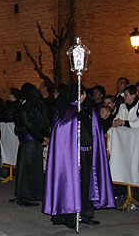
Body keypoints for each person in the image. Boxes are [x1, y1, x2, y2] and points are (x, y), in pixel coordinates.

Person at [43, 84, 115, 228]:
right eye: (81, 94)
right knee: (74, 185)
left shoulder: (88, 110)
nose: (84, 97)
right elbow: (62, 132)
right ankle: (70, 215)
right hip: (73, 156)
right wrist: (75, 119)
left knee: (88, 184)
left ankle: (86, 213)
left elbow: (98, 129)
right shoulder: (66, 112)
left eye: (84, 94)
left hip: (88, 153)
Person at [12, 83, 50, 206]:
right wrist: (41, 137)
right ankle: (26, 195)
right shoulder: (35, 106)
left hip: (30, 140)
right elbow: (37, 123)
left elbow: (30, 124)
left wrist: (40, 137)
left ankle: (25, 194)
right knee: (28, 168)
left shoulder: (28, 106)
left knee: (27, 167)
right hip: (31, 140)